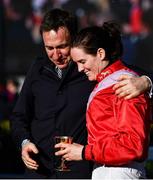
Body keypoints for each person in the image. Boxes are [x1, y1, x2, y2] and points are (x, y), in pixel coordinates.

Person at [11, 9, 152, 179]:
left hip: (80, 171)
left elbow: (129, 73)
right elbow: (19, 116)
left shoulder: (92, 68)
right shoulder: (37, 68)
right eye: (49, 48)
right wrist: (24, 143)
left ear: (75, 39)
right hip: (40, 171)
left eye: (62, 46)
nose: (56, 55)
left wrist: (146, 82)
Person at [55, 22, 152, 179]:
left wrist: (83, 152)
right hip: (106, 169)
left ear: (100, 53)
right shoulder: (109, 82)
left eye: (82, 61)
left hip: (120, 172)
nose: (80, 69)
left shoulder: (125, 83)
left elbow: (133, 146)